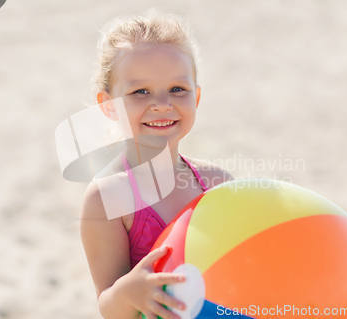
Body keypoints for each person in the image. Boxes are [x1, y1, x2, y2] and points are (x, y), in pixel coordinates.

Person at [79, 9, 234, 319]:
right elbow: (108, 305)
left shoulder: (217, 182)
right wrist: (128, 292)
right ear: (108, 106)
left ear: (197, 97)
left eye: (178, 89)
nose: (162, 104)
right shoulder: (106, 198)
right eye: (141, 92)